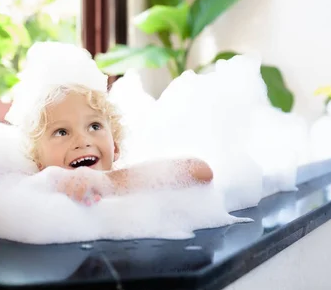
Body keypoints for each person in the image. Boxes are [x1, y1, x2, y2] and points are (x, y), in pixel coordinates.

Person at [24, 82, 213, 205]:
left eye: (94, 126)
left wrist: (109, 183)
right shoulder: (37, 198)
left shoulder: (126, 184)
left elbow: (200, 170)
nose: (82, 141)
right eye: (62, 132)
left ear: (115, 148)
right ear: (39, 163)